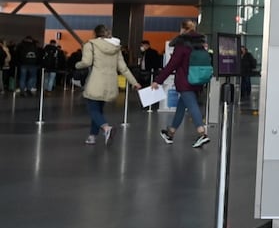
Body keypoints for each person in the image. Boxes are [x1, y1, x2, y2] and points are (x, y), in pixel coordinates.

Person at [149, 20, 211, 148]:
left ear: (183, 29)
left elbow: (172, 65)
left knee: (192, 105)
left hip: (185, 81)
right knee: (181, 107)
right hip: (197, 79)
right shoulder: (200, 44)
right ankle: (170, 133)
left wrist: (158, 80)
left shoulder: (182, 44)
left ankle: (202, 134)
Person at [78, 25, 141, 145]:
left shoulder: (90, 44)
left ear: (95, 33)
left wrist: (77, 65)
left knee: (92, 109)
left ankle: (106, 128)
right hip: (110, 83)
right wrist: (134, 82)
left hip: (96, 82)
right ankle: (92, 136)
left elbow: (86, 62)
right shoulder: (116, 47)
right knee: (98, 109)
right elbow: (123, 68)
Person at [138, 40, 162, 111]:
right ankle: (145, 103)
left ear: (147, 45)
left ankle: (149, 104)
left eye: (143, 45)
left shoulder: (152, 52)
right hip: (143, 72)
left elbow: (156, 63)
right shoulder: (143, 53)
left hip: (149, 72)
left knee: (148, 87)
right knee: (143, 88)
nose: (141, 47)